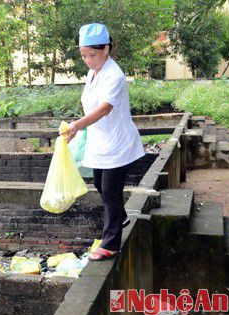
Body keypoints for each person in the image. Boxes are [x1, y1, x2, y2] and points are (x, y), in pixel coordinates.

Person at [61, 23, 145, 261]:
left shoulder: (114, 75)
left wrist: (77, 124)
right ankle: (120, 216)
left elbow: (105, 108)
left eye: (92, 55)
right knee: (100, 184)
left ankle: (111, 244)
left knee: (110, 190)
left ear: (106, 49)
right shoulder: (93, 72)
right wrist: (80, 129)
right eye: (84, 55)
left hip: (118, 142)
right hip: (100, 140)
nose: (87, 60)